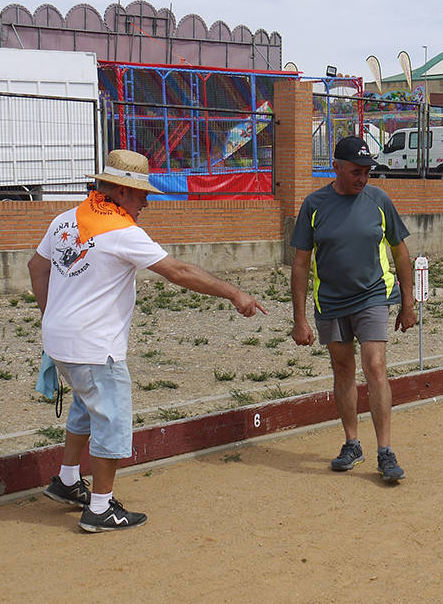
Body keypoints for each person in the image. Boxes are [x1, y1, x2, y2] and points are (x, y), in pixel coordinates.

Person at [29, 149, 267, 532]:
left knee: (85, 408)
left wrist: (52, 316)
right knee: (110, 419)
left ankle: (68, 480)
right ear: (122, 192)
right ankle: (101, 509)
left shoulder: (64, 220)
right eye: (142, 195)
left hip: (61, 343)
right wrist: (235, 293)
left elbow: (36, 267)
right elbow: (179, 270)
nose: (145, 204)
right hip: (95, 347)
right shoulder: (122, 231)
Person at [290, 136, 417, 482]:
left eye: (367, 173)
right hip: (330, 301)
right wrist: (299, 318)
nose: (362, 179)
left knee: (375, 366)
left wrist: (409, 302)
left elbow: (400, 251)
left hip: (373, 295)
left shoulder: (378, 200)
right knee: (343, 370)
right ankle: (352, 444)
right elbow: (300, 264)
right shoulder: (314, 205)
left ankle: (385, 451)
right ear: (336, 168)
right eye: (356, 172)